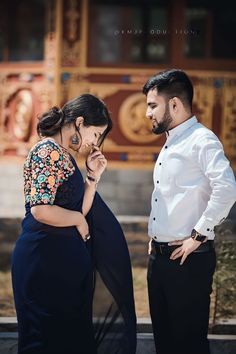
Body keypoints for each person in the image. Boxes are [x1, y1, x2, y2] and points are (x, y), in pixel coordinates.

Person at [11, 94, 136, 354]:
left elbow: (74, 211)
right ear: (79, 122)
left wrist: (92, 179)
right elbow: (41, 210)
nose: (95, 143)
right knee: (45, 342)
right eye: (96, 133)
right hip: (42, 263)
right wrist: (78, 220)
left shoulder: (63, 155)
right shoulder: (47, 151)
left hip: (59, 266)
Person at [143, 69, 236, 354]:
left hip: (188, 262)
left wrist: (198, 234)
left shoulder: (202, 140)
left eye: (152, 105)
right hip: (159, 260)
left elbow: (227, 188)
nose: (148, 113)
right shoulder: (172, 141)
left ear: (174, 104)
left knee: (188, 346)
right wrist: (155, 235)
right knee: (165, 344)